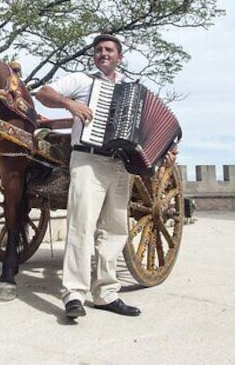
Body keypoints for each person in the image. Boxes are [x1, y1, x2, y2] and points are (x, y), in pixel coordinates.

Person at [34, 33, 141, 320]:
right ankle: (74, 294)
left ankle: (106, 293)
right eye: (98, 50)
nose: (102, 53)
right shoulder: (81, 81)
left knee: (115, 229)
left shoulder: (132, 93)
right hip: (87, 160)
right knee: (81, 226)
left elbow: (145, 131)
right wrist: (70, 105)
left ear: (120, 57)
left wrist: (165, 149)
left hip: (120, 165)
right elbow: (43, 93)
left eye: (109, 50)